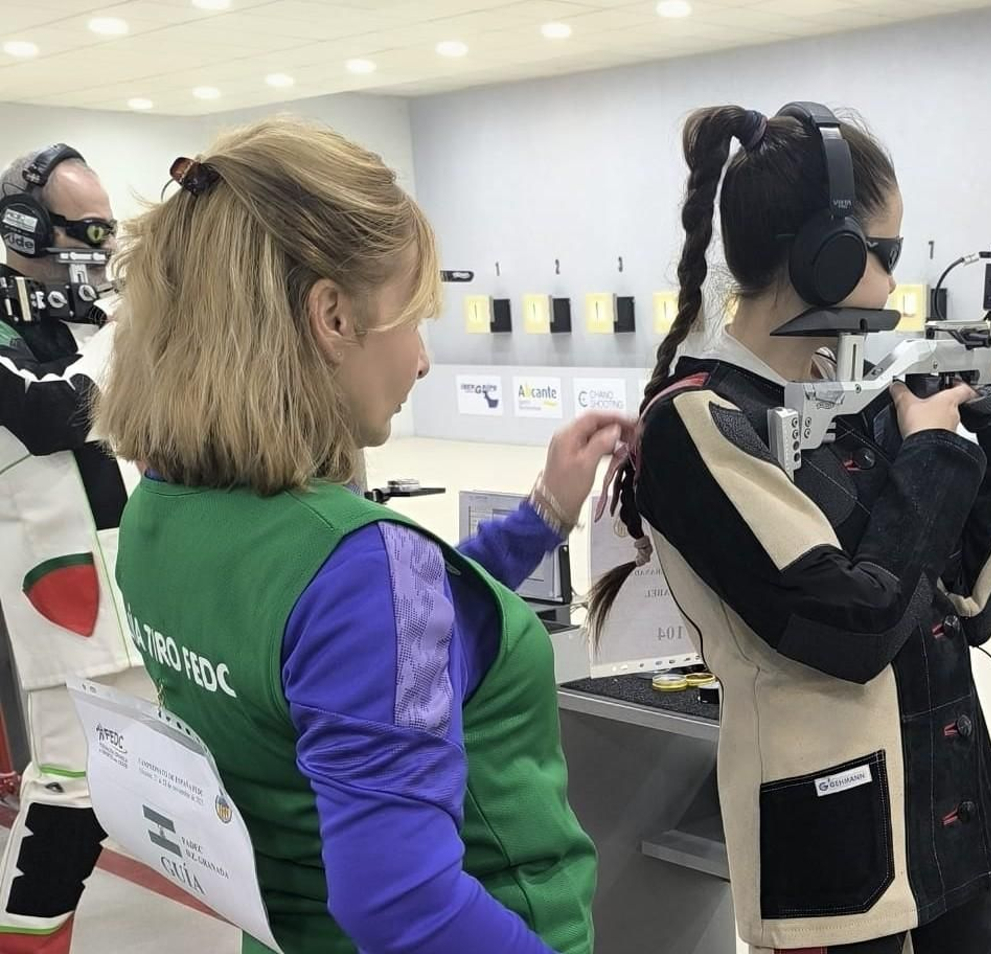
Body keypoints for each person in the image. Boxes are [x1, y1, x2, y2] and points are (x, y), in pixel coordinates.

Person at [96, 117, 610, 954]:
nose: (422, 360)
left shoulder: (159, 510)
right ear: (331, 316)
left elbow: (376, 655)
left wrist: (543, 515)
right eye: (411, 318)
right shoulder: (358, 568)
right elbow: (405, 907)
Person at [589, 103, 991, 954]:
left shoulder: (849, 398)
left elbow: (957, 605)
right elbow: (855, 629)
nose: (891, 287)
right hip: (835, 845)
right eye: (888, 256)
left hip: (947, 815)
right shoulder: (696, 425)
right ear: (828, 253)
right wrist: (932, 459)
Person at [0, 143, 152, 954]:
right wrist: (132, 333)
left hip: (144, 590)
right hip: (58, 607)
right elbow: (51, 416)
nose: (100, 249)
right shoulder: (89, 340)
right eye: (86, 230)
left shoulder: (85, 325)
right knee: (66, 801)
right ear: (25, 225)